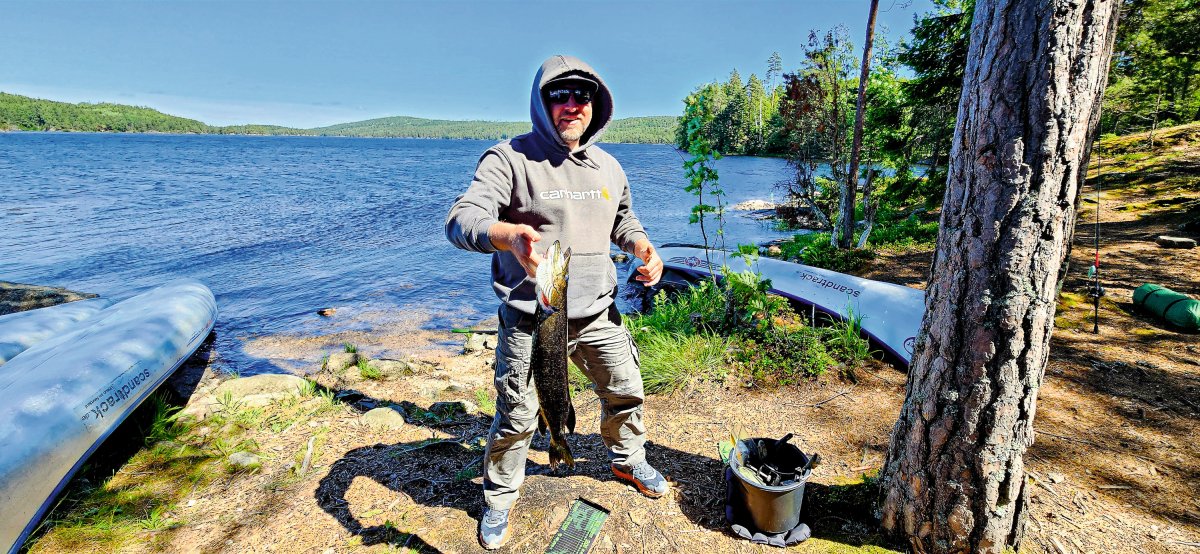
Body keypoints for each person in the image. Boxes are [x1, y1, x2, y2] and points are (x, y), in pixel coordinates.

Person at [445, 54, 667, 550]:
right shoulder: (509, 159)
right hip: (533, 318)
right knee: (518, 415)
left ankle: (628, 459)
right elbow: (461, 220)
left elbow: (623, 220)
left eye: (582, 95)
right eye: (558, 95)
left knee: (626, 389)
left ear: (596, 104)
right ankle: (500, 496)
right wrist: (508, 237)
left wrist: (642, 247)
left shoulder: (608, 166)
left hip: (598, 313)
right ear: (540, 102)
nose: (571, 104)